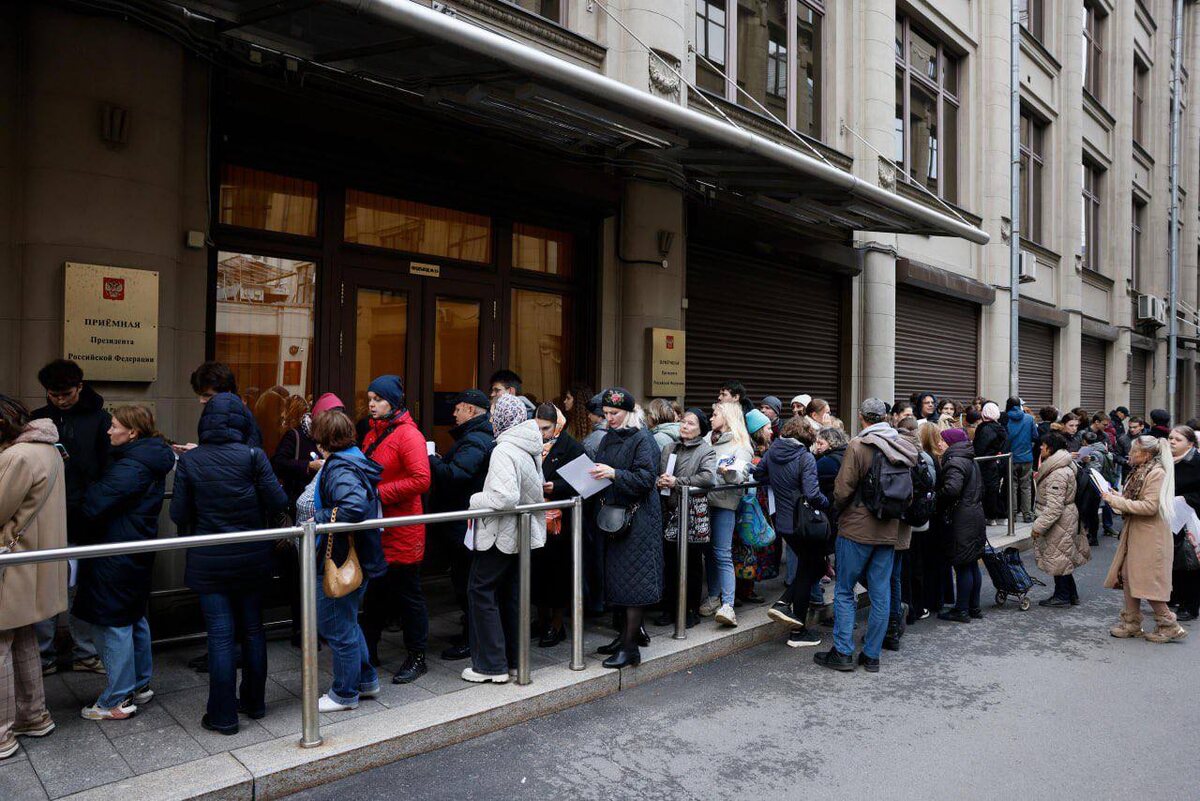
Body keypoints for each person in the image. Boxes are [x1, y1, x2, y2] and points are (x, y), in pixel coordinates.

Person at [170, 392, 288, 735]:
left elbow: (178, 513)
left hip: (209, 559)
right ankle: (254, 702)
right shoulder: (253, 455)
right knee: (252, 630)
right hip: (253, 557)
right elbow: (278, 501)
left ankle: (222, 716)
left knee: (220, 637)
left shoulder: (191, 461)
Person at [74, 406, 173, 720]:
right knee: (132, 616)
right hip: (134, 548)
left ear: (132, 432)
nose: (108, 430)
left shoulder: (131, 466)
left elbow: (94, 504)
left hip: (115, 550)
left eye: (114, 426)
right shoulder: (148, 457)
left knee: (112, 620)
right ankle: (139, 684)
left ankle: (116, 699)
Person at [815, 399, 918, 673]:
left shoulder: (858, 445)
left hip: (856, 529)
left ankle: (843, 652)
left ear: (862, 417)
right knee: (881, 592)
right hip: (888, 529)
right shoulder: (900, 444)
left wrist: (839, 510)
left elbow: (842, 489)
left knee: (845, 590)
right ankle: (872, 655)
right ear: (885, 417)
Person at [0, 396, 68, 759]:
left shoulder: (17, 457)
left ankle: (1, 734)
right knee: (23, 638)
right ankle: (33, 715)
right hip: (33, 562)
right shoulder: (49, 450)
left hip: (11, 563)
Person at [460, 395, 545, 682]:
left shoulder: (504, 449)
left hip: (500, 533)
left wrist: (474, 500)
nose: (491, 418)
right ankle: (513, 661)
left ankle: (490, 666)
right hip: (519, 531)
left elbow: (504, 497)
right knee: (510, 594)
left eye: (495, 413)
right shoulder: (528, 446)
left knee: (480, 590)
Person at [30, 359, 107, 676]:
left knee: (81, 587)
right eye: (54, 394)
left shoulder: (101, 419)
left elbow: (106, 466)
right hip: (44, 512)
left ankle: (84, 652)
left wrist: (92, 502)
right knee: (43, 586)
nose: (60, 400)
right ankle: (42, 656)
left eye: (66, 394)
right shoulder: (37, 419)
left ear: (80, 387)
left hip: (83, 513)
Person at [309, 411, 390, 712]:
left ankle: (344, 693)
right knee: (348, 622)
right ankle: (366, 680)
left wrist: (317, 517)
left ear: (322, 439)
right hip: (360, 555)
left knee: (336, 626)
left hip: (340, 557)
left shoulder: (339, 466)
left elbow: (353, 506)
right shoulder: (355, 458)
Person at [359, 375, 432, 684]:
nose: (371, 404)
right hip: (379, 526)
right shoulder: (371, 433)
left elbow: (421, 479)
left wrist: (379, 494)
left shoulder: (409, 435)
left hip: (402, 528)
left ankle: (417, 656)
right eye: (369, 399)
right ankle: (368, 653)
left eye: (377, 399)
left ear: (392, 402)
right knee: (374, 593)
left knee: (408, 596)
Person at [590, 388, 662, 668]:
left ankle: (630, 647)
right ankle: (624, 637)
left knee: (634, 584)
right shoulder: (610, 436)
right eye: (606, 413)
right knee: (618, 581)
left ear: (629, 413)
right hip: (614, 518)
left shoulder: (643, 438)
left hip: (638, 520)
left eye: (615, 413)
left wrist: (613, 474)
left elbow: (646, 479)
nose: (609, 418)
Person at [427, 389, 494, 661]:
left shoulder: (475, 440)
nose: (453, 414)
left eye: (458, 409)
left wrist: (432, 459)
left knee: (466, 579)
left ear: (470, 410)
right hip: (463, 519)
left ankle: (472, 638)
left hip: (464, 520)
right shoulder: (473, 437)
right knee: (464, 577)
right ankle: (470, 632)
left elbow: (456, 475)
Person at [1102, 435, 1187, 643]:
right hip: (1138, 532)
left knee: (1147, 580)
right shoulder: (1141, 470)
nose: (1130, 454)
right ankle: (1131, 623)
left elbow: (1150, 506)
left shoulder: (1156, 473)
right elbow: (1136, 500)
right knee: (1128, 576)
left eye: (1134, 451)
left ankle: (1169, 625)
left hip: (1150, 535)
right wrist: (1118, 497)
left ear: (1146, 454)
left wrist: (1117, 501)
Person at [755, 416, 829, 648]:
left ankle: (787, 609)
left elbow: (758, 475)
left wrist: (778, 483)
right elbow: (812, 494)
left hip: (784, 523)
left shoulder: (772, 452)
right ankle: (796, 627)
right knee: (812, 569)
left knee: (811, 568)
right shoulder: (805, 457)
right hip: (803, 523)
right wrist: (827, 503)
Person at [654, 408, 716, 629]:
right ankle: (669, 608)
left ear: (700, 429)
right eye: (683, 422)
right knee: (670, 562)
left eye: (691, 423)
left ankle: (690, 610)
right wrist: (660, 481)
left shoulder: (706, 450)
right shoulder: (669, 447)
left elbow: (708, 477)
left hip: (692, 513)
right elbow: (660, 473)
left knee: (692, 563)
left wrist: (677, 482)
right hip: (669, 509)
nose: (685, 426)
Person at [533, 403, 585, 647]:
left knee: (558, 575)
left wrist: (558, 487)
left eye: (546, 428)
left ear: (557, 425)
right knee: (537, 572)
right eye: (538, 428)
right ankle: (541, 620)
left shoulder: (571, 446)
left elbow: (586, 482)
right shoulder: (531, 444)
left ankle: (556, 624)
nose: (542, 433)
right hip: (536, 519)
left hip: (561, 523)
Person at [699, 401, 753, 628]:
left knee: (722, 553)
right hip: (702, 503)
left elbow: (740, 476)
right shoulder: (706, 440)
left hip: (724, 504)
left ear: (728, 418)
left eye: (715, 414)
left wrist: (728, 473)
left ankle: (728, 604)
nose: (711, 418)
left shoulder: (740, 445)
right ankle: (714, 596)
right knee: (709, 553)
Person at [936, 427, 987, 623]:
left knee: (963, 564)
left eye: (942, 440)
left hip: (961, 519)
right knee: (971, 563)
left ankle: (962, 610)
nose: (939, 443)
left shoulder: (954, 461)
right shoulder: (969, 459)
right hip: (974, 514)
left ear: (951, 443)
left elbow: (952, 489)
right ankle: (974, 607)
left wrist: (937, 498)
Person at [1030, 433, 1087, 607]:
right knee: (1062, 556)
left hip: (1060, 520)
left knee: (1058, 557)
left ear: (1051, 448)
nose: (1041, 448)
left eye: (1043, 445)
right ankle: (1070, 594)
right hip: (1065, 517)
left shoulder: (1057, 473)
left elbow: (1054, 507)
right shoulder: (1061, 466)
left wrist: (1038, 526)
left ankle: (1062, 596)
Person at [1167, 426, 1200, 622]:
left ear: (1190, 444)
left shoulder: (1197, 462)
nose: (1172, 441)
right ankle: (1175, 595)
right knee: (1173, 559)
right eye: (1170, 438)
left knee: (1190, 562)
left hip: (1192, 519)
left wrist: (1185, 499)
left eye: (1178, 439)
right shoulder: (1166, 460)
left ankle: (1190, 605)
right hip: (1171, 517)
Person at [974, 401, 1008, 525]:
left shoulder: (984, 429)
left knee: (988, 490)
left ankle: (991, 515)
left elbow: (981, 447)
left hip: (985, 463)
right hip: (997, 462)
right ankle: (999, 514)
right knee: (994, 489)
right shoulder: (1000, 428)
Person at [1005, 397, 1037, 524]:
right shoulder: (1029, 418)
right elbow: (1035, 436)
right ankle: (1027, 514)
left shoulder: (1005, 418)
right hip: (1027, 457)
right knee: (1026, 486)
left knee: (1012, 486)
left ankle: (1012, 514)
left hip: (1010, 457)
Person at [582, 393, 607, 460]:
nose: (589, 416)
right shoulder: (619, 432)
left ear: (599, 415)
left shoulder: (590, 441)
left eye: (591, 413)